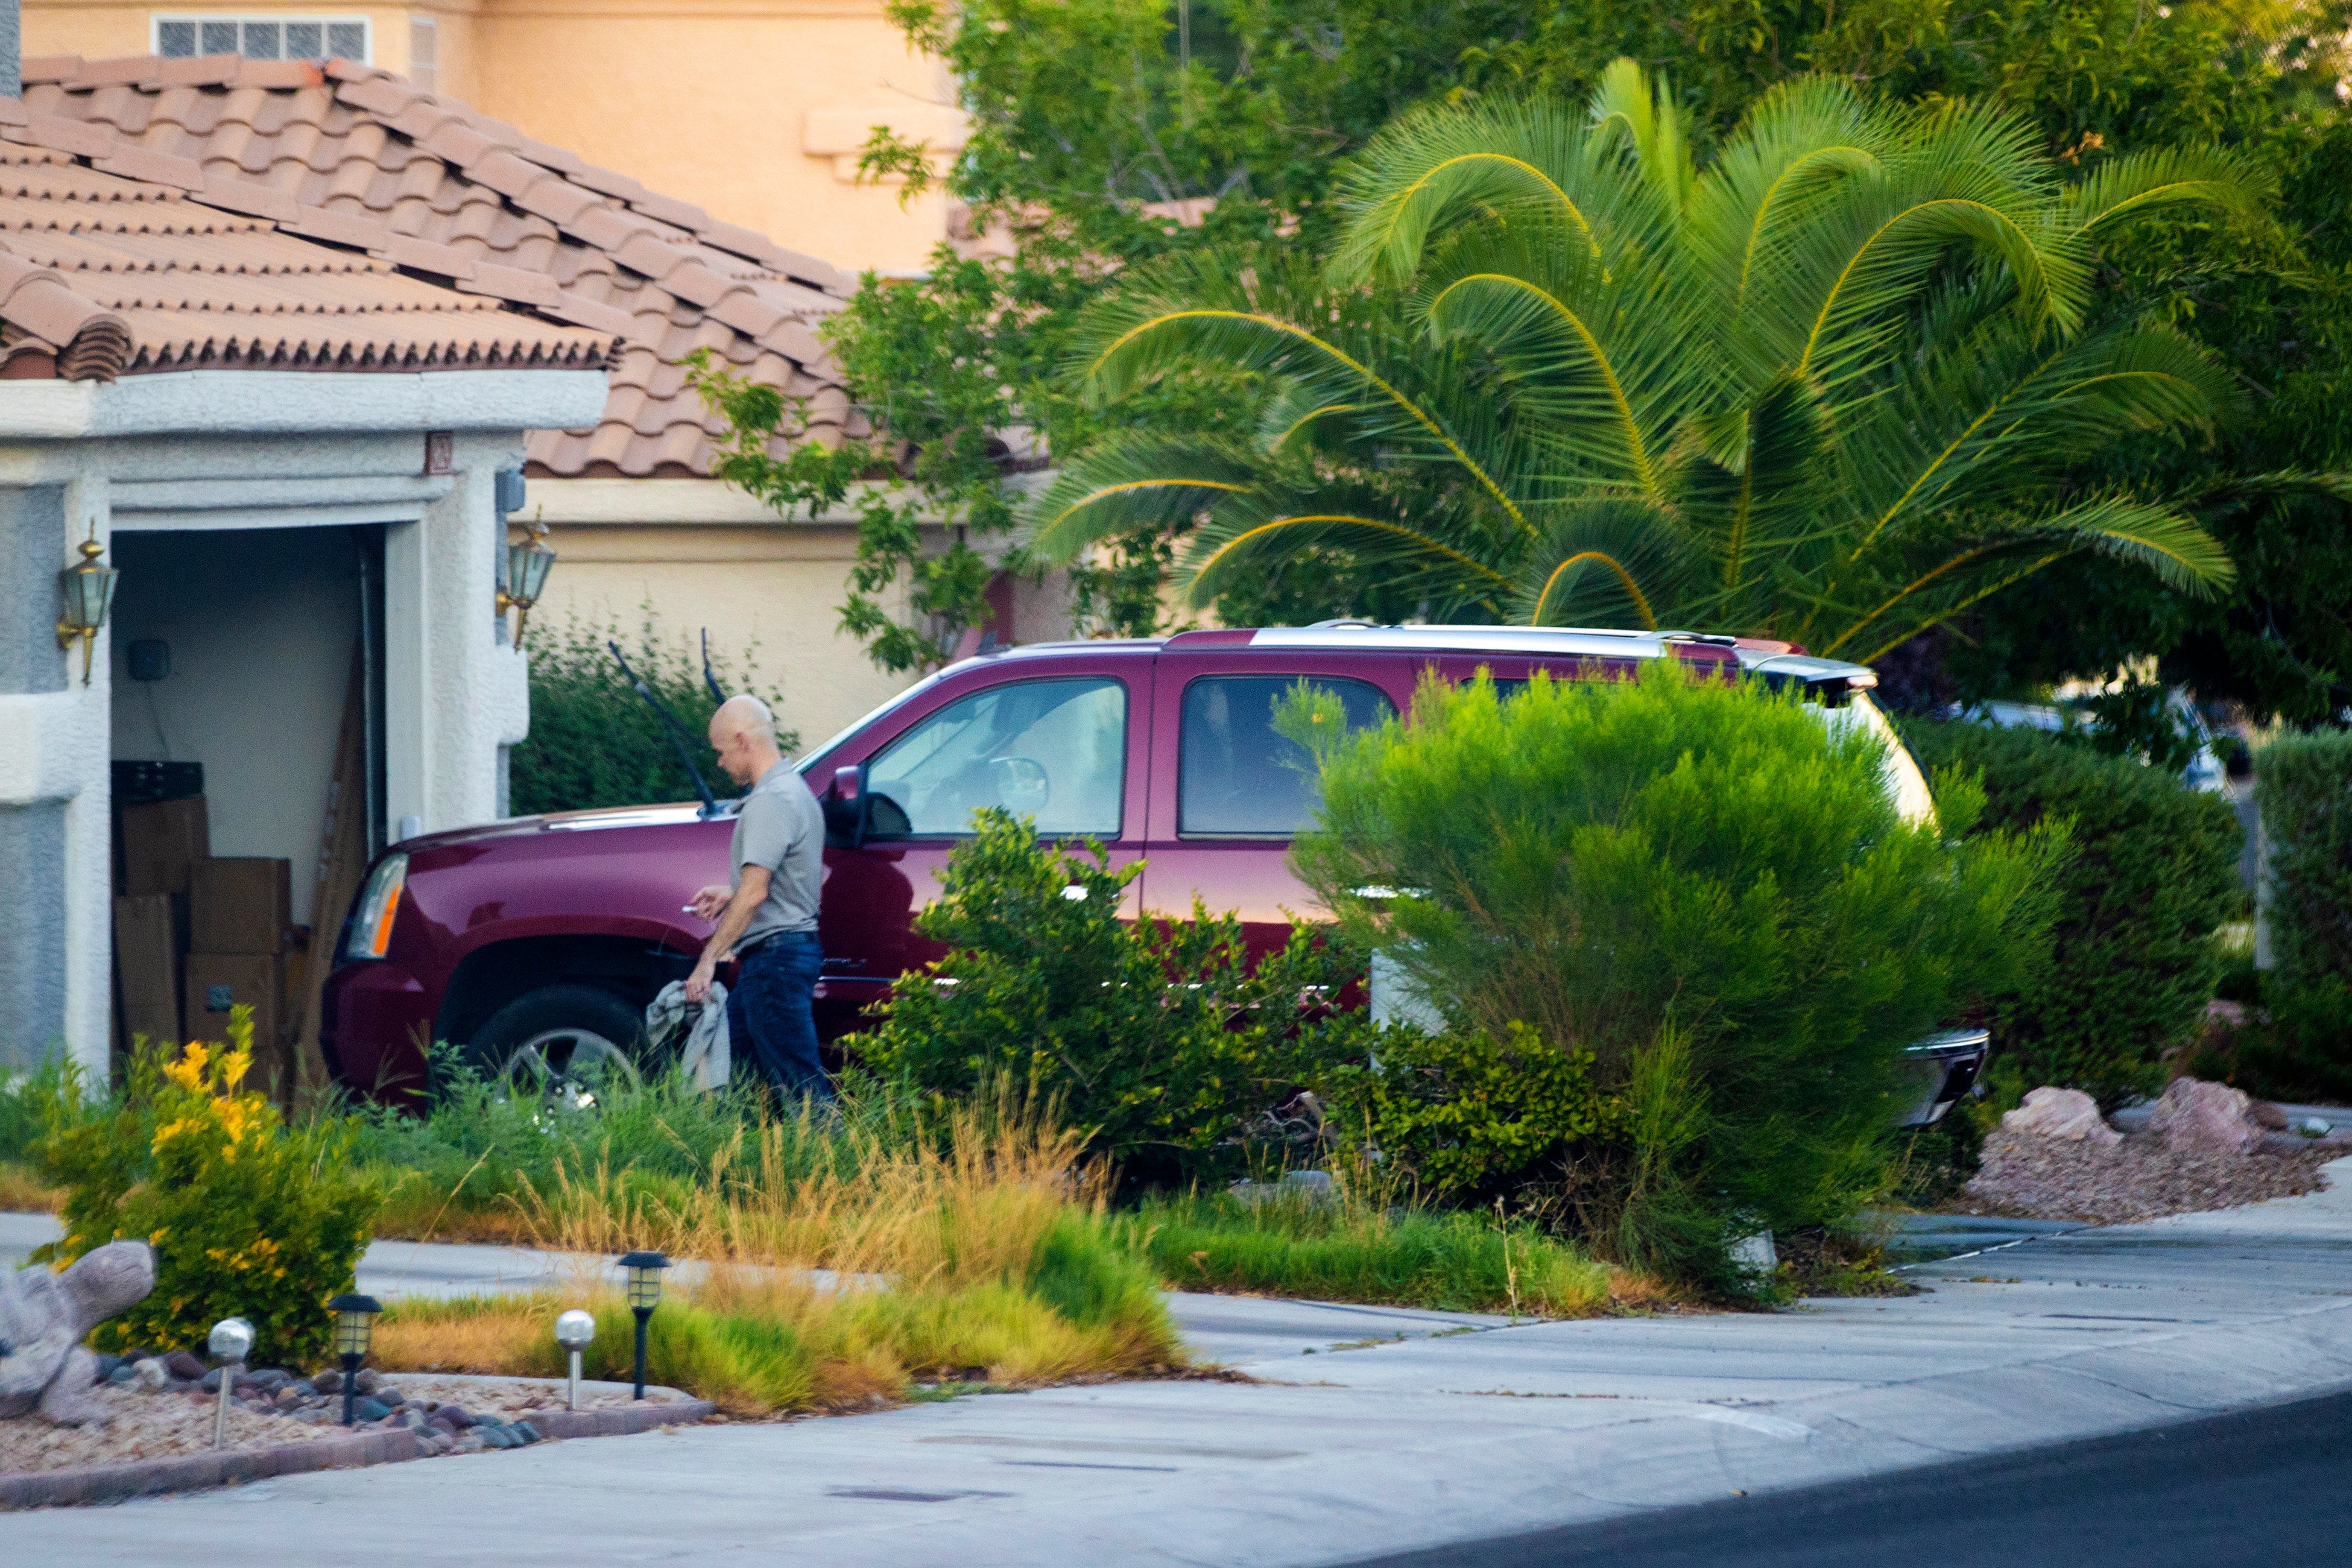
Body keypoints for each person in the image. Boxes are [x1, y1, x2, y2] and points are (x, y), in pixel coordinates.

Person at [685, 695, 833, 1107]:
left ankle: (843, 1168)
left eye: (721, 752)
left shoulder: (771, 800)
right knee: (737, 1086)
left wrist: (708, 958)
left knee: (800, 1089)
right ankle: (742, 1167)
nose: (720, 763)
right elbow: (783, 881)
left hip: (775, 963)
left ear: (741, 740)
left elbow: (756, 894)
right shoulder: (795, 791)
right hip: (778, 960)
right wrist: (732, 892)